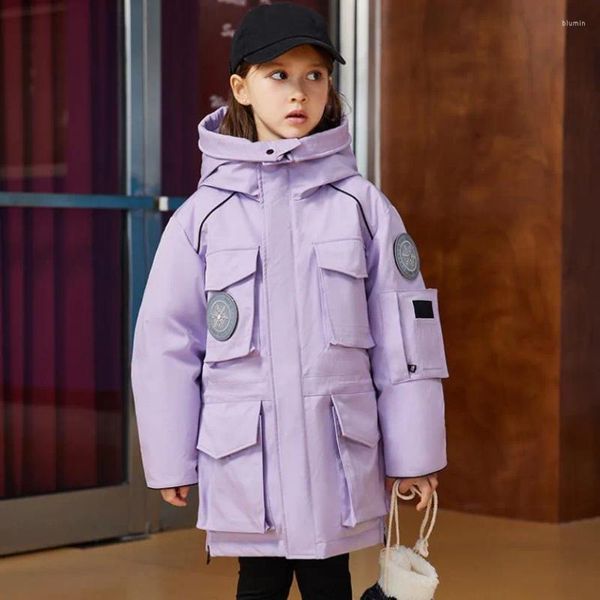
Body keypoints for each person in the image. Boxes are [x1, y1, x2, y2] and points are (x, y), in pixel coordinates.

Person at [130, 3, 450, 599]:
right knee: (259, 581)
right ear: (239, 88)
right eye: (277, 74)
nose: (298, 92)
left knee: (328, 579)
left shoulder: (361, 206)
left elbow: (406, 338)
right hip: (246, 456)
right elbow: (166, 341)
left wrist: (414, 451)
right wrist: (171, 455)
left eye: (314, 75)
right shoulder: (204, 217)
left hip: (334, 452)